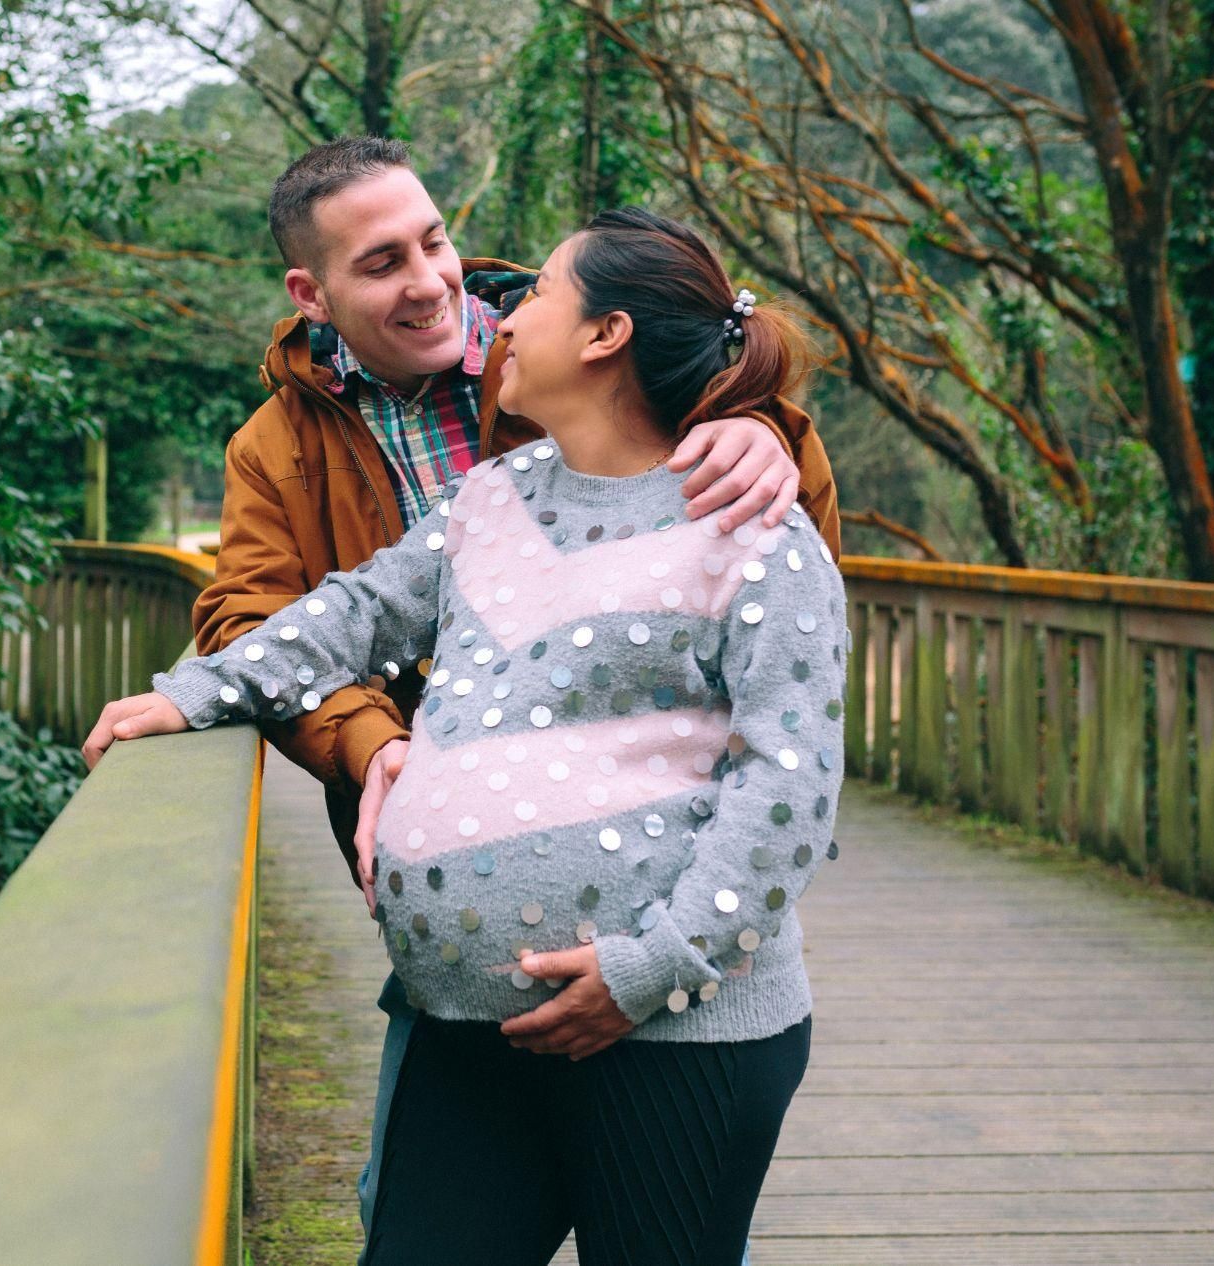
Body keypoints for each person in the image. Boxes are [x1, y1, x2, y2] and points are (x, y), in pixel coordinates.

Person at [90, 137, 839, 1259]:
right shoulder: (469, 493)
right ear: (315, 293)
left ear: (602, 337)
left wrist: (648, 969)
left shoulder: (747, 520)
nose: (466, 293)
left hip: (675, 1027)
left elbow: (787, 782)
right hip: (457, 1015)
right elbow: (340, 612)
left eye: (517, 286)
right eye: (385, 260)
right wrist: (198, 696)